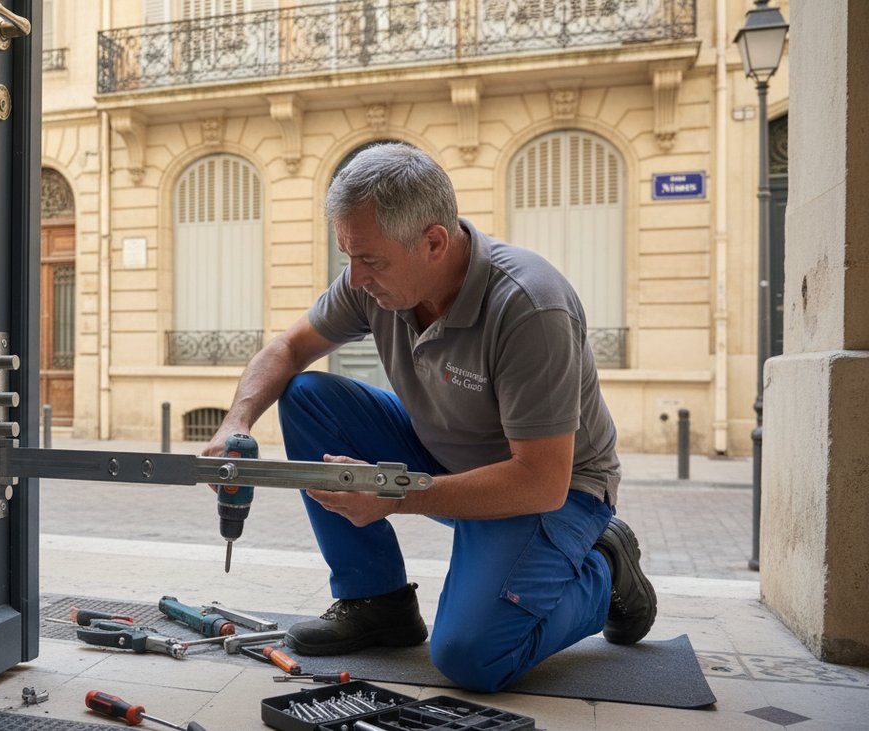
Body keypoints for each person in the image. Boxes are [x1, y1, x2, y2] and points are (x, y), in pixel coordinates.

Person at [202, 143, 657, 692]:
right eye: (347, 255)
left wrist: (397, 497)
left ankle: (603, 567)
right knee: (305, 394)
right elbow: (288, 348)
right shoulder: (370, 283)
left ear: (434, 242)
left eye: (369, 259)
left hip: (554, 492)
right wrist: (236, 423)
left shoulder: (530, 305)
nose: (355, 276)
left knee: (471, 657)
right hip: (442, 454)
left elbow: (541, 479)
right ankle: (377, 602)